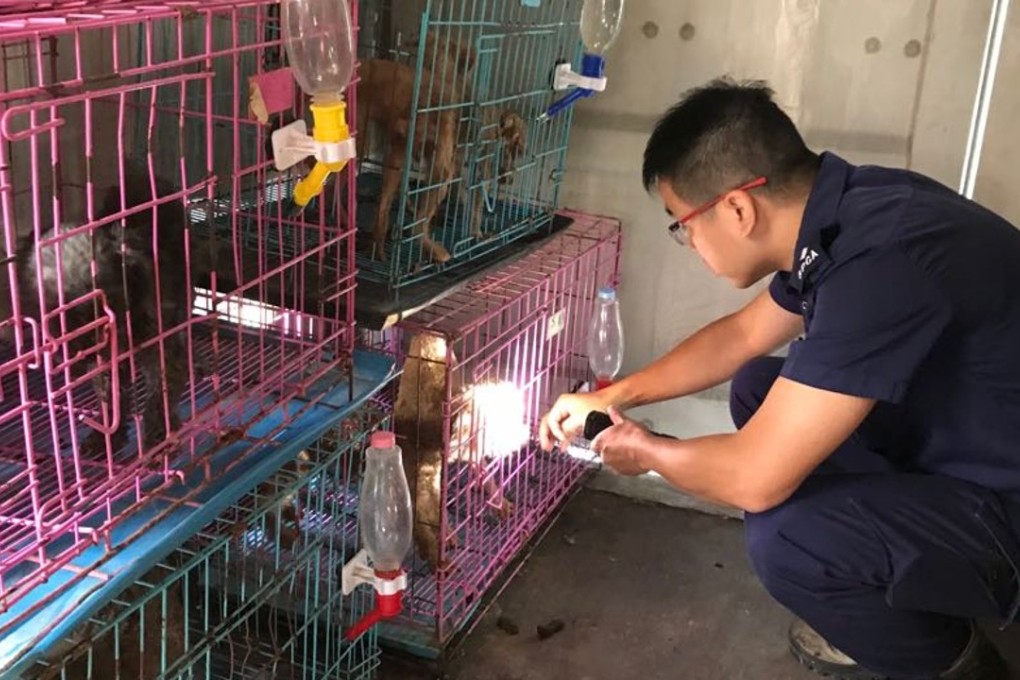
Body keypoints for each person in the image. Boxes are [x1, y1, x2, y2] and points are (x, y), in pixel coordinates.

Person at [539, 77, 1020, 680]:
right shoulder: (848, 213)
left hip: (1003, 499)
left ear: (738, 208)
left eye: (682, 223)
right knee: (757, 386)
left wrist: (650, 452)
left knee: (789, 541)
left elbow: (755, 480)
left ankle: (959, 664)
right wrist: (616, 393)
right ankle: (881, 594)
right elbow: (741, 337)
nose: (687, 240)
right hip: (970, 447)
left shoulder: (882, 261)